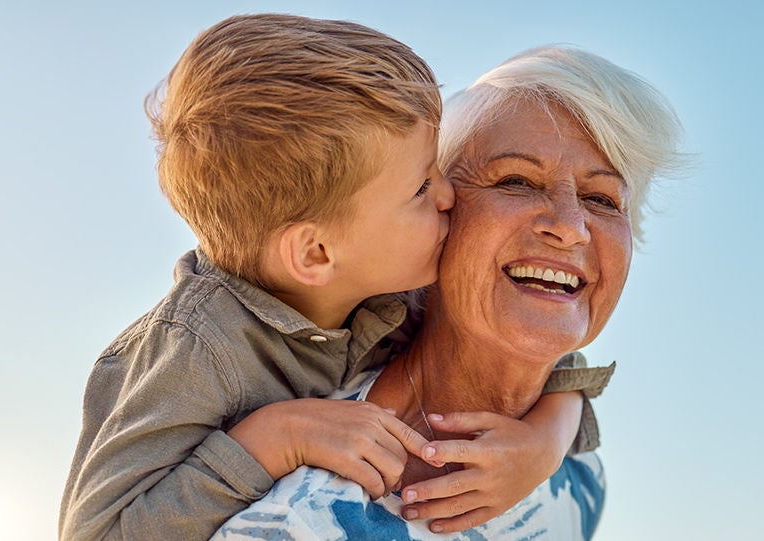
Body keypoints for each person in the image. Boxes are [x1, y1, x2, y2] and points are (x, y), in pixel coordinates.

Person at [59, 16, 608, 541]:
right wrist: (274, 440)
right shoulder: (194, 351)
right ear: (316, 253)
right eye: (420, 188)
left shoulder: (387, 284)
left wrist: (545, 443)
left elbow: (553, 356)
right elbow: (101, 532)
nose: (448, 196)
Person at [212, 44, 685, 540]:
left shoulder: (580, 479)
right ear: (438, 216)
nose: (571, 228)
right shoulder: (297, 513)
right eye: (518, 181)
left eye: (601, 199)